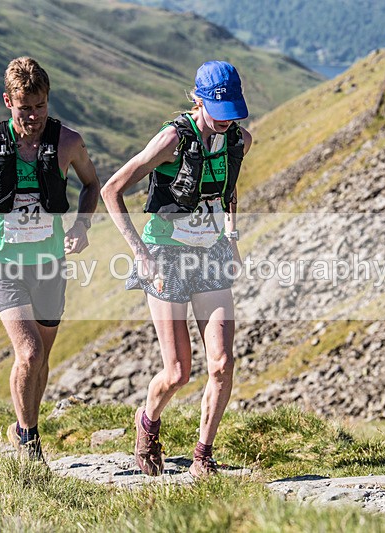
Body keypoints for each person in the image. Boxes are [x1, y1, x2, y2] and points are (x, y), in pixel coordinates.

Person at [101, 61, 252, 478]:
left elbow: (229, 185)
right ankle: (147, 422)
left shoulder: (240, 139)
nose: (226, 122)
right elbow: (111, 189)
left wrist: (232, 235)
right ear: (198, 99)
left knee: (222, 363)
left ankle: (203, 456)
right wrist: (140, 252)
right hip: (165, 253)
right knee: (178, 372)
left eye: (232, 112)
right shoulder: (172, 139)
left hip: (212, 254)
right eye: (218, 112)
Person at [0, 57, 100, 462]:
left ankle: (25, 427)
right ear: (7, 102)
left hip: (49, 261)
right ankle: (29, 440)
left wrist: (82, 226)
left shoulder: (68, 142)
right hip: (4, 261)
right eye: (23, 108)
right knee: (29, 352)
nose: (32, 116)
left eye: (40, 107)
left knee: (42, 357)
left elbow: (91, 183)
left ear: (47, 101)